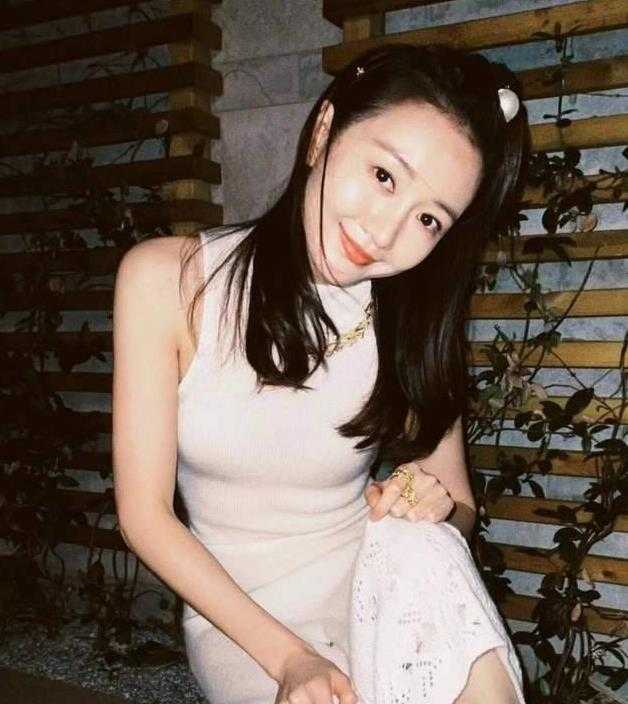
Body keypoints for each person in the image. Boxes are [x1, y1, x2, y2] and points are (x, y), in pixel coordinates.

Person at [112, 42, 530, 704]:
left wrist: (432, 509)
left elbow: (460, 506)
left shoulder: (409, 321)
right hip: (244, 621)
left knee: (435, 577)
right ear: (324, 131)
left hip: (386, 584)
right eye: (385, 175)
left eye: (429, 219)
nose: (385, 232)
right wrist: (291, 659)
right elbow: (144, 515)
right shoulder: (170, 281)